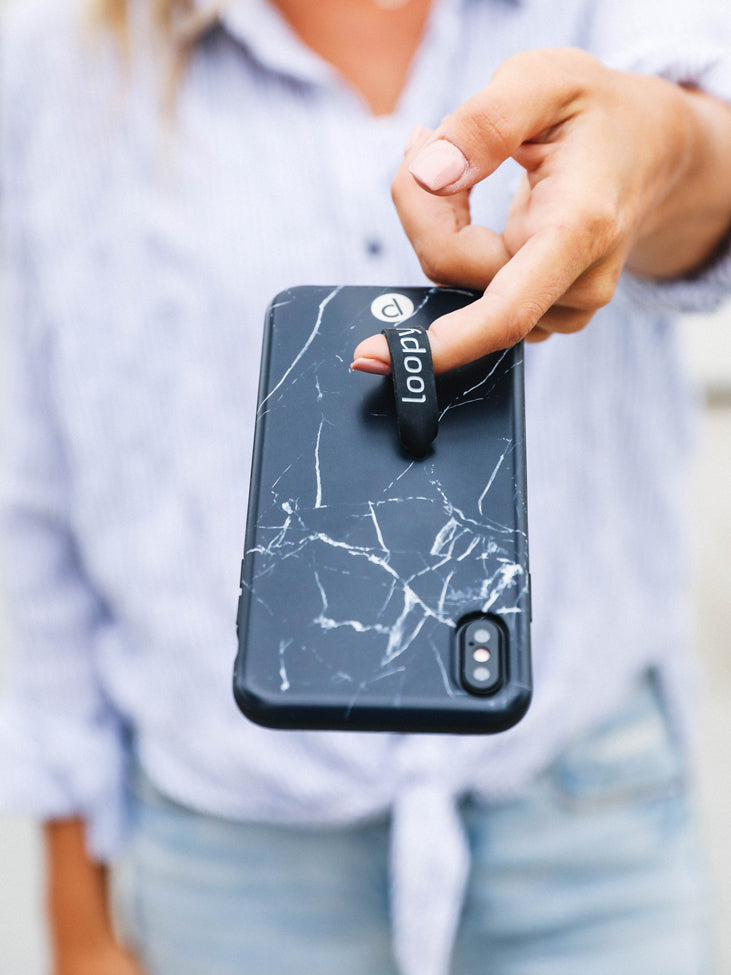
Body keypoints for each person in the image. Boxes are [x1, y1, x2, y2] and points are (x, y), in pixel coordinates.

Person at [1, 0, 730, 973]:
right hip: (233, 855)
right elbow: (32, 489)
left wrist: (656, 145)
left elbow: (704, 159)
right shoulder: (63, 62)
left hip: (584, 828)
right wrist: (79, 916)